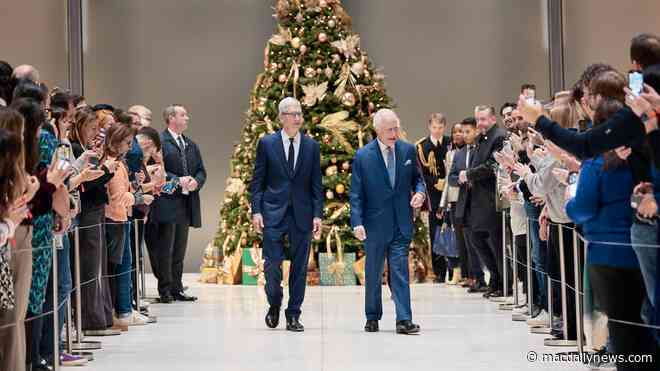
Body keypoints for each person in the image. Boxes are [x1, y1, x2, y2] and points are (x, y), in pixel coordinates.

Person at [350, 108, 426, 334]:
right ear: (377, 131)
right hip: (374, 225)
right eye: (389, 129)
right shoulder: (363, 156)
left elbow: (418, 180)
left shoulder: (408, 150)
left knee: (400, 271)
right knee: (373, 273)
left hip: (401, 222)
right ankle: (372, 316)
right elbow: (356, 194)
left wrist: (420, 194)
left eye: (396, 128)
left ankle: (404, 319)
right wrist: (357, 222)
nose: (394, 133)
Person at [250, 97, 322, 332]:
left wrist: (318, 215)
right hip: (273, 212)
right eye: (292, 113)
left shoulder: (311, 146)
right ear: (281, 117)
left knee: (300, 267)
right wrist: (257, 210)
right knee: (272, 266)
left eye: (299, 113)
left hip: (302, 214)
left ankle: (293, 314)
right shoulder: (267, 144)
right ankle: (274, 302)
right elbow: (258, 181)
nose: (297, 117)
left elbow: (316, 184)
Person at [146, 104, 206, 303]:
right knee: (166, 248)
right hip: (167, 201)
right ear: (171, 118)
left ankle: (177, 287)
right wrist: (178, 180)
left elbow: (200, 170)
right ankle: (165, 289)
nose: (187, 118)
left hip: (186, 201)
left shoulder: (190, 144)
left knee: (180, 247)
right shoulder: (161, 142)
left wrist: (196, 181)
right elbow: (154, 167)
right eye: (183, 115)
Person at [462, 105, 508, 298]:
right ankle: (496, 278)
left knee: (496, 243)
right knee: (476, 238)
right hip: (478, 200)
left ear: (492, 119)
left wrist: (470, 174)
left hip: (490, 199)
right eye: (478, 119)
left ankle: (504, 282)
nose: (479, 123)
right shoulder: (482, 138)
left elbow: (493, 165)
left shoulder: (498, 137)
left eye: (483, 119)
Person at [448, 118, 487, 293]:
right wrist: (462, 180)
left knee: (486, 243)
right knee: (470, 243)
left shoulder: (482, 149)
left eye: (467, 132)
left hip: (482, 202)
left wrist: (471, 176)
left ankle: (496, 278)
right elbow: (452, 177)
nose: (464, 135)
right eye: (462, 132)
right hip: (464, 204)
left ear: (476, 131)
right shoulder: (460, 153)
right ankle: (477, 279)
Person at [416, 113, 451, 283]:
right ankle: (439, 272)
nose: (437, 131)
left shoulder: (450, 143)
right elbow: (421, 173)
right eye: (434, 127)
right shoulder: (422, 147)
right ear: (429, 127)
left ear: (444, 127)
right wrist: (436, 182)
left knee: (452, 231)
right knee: (436, 232)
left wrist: (447, 182)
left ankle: (455, 270)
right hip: (434, 196)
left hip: (451, 194)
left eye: (440, 127)